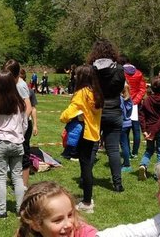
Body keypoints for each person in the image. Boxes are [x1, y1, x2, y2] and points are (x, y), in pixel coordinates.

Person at [60, 65, 103, 213]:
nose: (75, 77)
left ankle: (86, 202)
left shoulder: (81, 93)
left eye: (77, 75)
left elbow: (67, 114)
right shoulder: (96, 92)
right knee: (87, 166)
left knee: (85, 168)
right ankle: (87, 198)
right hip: (94, 133)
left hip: (84, 134)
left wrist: (63, 116)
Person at [0, 70, 28, 218]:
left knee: (1, 178)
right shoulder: (20, 103)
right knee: (17, 177)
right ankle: (20, 210)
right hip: (17, 143)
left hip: (1, 143)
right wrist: (19, 135)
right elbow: (25, 124)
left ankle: (1, 211)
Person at [87, 39, 125, 193]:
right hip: (114, 111)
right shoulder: (119, 69)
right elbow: (121, 89)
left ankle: (85, 179)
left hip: (97, 111)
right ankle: (117, 184)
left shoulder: (91, 70)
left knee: (92, 148)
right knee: (113, 150)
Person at [16, 181, 98, 237]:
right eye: (58, 220)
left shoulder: (84, 232)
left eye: (70, 215)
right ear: (36, 225)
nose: (69, 224)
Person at [3, 59, 32, 189]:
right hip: (15, 124)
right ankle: (17, 180)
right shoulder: (11, 84)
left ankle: (24, 185)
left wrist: (20, 124)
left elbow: (29, 107)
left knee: (23, 155)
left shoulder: (20, 85)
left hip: (23, 125)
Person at [138, 76, 160, 181]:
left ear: (151, 87)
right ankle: (158, 174)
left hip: (149, 130)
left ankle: (143, 165)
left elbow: (141, 116)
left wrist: (145, 130)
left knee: (149, 150)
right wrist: (153, 132)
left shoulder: (147, 100)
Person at [122, 55, 146, 158]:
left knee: (125, 129)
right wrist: (135, 101)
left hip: (124, 101)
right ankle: (135, 152)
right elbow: (142, 89)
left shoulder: (121, 72)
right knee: (136, 130)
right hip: (135, 103)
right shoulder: (138, 73)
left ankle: (126, 150)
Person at [20, 68, 39, 186]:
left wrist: (36, 125)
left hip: (26, 124)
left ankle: (24, 184)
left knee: (24, 150)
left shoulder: (30, 91)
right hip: (15, 124)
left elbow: (33, 108)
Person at [120, 84, 133, 172]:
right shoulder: (129, 99)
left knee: (123, 144)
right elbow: (130, 111)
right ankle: (126, 160)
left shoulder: (120, 99)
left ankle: (127, 164)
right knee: (126, 143)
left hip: (122, 124)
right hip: (128, 123)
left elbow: (120, 110)